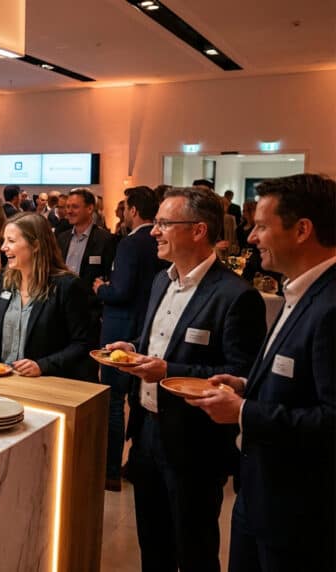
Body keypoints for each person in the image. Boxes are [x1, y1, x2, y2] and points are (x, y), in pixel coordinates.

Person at [104, 186, 266, 572]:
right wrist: (134, 347)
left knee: (193, 549)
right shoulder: (162, 281)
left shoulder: (235, 295)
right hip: (145, 432)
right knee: (152, 544)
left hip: (195, 443)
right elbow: (155, 342)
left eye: (164, 224)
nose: (154, 232)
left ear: (198, 230)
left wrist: (168, 371)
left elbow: (240, 375)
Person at [186, 173, 335, 572]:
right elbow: (299, 381)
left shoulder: (330, 305)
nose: (251, 237)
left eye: (262, 226)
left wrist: (242, 411)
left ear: (302, 230)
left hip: (298, 513)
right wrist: (247, 385)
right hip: (260, 495)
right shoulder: (299, 291)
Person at [93, 186, 166, 491]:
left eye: (124, 208)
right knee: (136, 399)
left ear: (133, 210)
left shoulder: (131, 243)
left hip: (121, 329)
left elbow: (120, 291)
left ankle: (109, 470)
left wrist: (100, 288)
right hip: (146, 327)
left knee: (112, 400)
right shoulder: (160, 245)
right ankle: (134, 462)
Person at [0, 212, 91, 379]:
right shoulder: (5, 280)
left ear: (35, 245)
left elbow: (82, 344)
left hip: (46, 385)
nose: (3, 247)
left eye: (11, 241)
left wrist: (42, 366)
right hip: (4, 380)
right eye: (4, 240)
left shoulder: (67, 286)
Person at [57, 187, 116, 344]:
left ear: (90, 208)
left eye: (75, 207)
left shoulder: (106, 240)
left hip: (89, 314)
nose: (69, 211)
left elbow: (109, 277)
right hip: (61, 311)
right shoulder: (61, 238)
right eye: (67, 207)